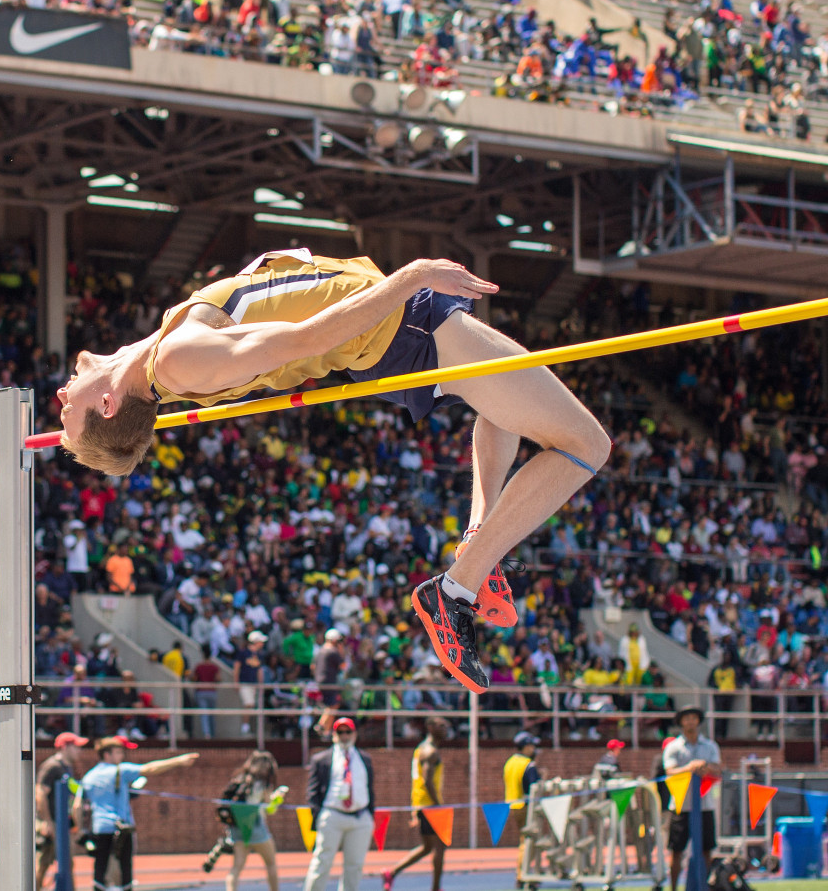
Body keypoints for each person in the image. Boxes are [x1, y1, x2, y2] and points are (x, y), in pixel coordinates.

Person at [55, 250, 610, 693]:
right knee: (586, 445)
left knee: (504, 406)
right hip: (404, 327)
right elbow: (308, 339)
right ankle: (455, 589)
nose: (59, 396)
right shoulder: (179, 360)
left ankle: (478, 542)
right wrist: (415, 274)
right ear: (107, 405)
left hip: (397, 328)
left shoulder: (153, 355)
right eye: (67, 413)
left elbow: (121, 394)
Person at [72, 736, 198, 891]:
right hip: (121, 828)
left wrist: (81, 830)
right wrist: (178, 761)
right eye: (118, 752)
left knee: (100, 868)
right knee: (125, 868)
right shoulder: (120, 770)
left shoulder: (89, 776)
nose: (121, 756)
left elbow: (77, 806)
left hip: (100, 828)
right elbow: (150, 769)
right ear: (107, 754)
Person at [303, 717, 376, 891]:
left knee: (354, 865)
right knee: (322, 862)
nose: (344, 736)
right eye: (340, 732)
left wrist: (369, 815)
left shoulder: (364, 759)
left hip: (360, 816)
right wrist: (319, 815)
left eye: (348, 732)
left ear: (354, 734)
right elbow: (313, 792)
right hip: (333, 814)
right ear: (334, 735)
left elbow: (369, 788)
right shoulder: (322, 759)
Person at [381, 716, 448, 891]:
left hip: (422, 804)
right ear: (430, 727)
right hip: (430, 806)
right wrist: (437, 804)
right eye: (441, 725)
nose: (446, 729)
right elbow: (426, 781)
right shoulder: (429, 752)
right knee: (440, 846)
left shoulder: (423, 749)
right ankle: (436, 888)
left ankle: (391, 872)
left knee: (428, 847)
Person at [663, 706, 721, 891]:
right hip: (680, 805)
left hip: (705, 805)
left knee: (706, 850)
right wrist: (689, 768)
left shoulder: (710, 746)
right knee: (676, 851)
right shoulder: (673, 747)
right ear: (681, 722)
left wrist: (705, 767)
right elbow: (669, 771)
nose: (690, 722)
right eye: (686, 718)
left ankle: (706, 886)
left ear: (698, 721)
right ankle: (673, 888)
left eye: (693, 718)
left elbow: (718, 768)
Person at [219, 750, 289, 891]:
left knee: (236, 867)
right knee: (271, 864)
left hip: (238, 829)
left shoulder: (239, 780)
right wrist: (278, 798)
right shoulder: (263, 785)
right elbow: (270, 809)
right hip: (257, 829)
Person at [35, 731, 89, 891]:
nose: (79, 750)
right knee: (43, 863)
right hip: (52, 822)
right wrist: (47, 822)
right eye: (76, 747)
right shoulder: (52, 766)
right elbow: (40, 793)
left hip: (62, 823)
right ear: (65, 747)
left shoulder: (67, 767)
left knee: (66, 862)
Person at [503, 731, 540, 888]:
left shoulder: (510, 762)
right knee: (529, 841)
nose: (534, 749)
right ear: (526, 747)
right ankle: (523, 874)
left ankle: (524, 873)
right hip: (526, 806)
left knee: (524, 841)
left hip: (513, 804)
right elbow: (534, 787)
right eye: (532, 745)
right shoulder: (528, 764)